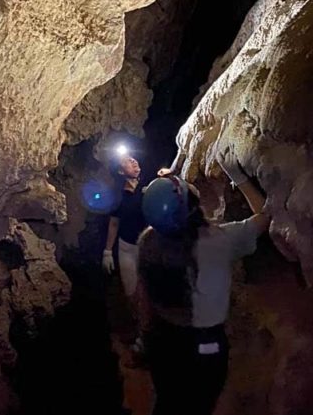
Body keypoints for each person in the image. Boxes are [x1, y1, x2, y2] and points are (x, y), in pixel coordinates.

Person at [137, 146, 270, 415]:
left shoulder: (148, 242)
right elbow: (265, 217)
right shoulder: (219, 241)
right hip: (205, 343)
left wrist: (145, 337)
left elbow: (144, 297)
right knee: (200, 403)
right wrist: (240, 178)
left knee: (167, 401)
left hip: (164, 340)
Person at [102, 153, 148, 355]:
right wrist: (107, 251)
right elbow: (114, 223)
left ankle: (149, 334)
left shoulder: (149, 186)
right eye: (128, 161)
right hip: (127, 248)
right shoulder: (118, 195)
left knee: (149, 291)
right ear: (121, 171)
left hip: (148, 247)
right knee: (131, 293)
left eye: (134, 159)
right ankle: (140, 332)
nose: (134, 161)